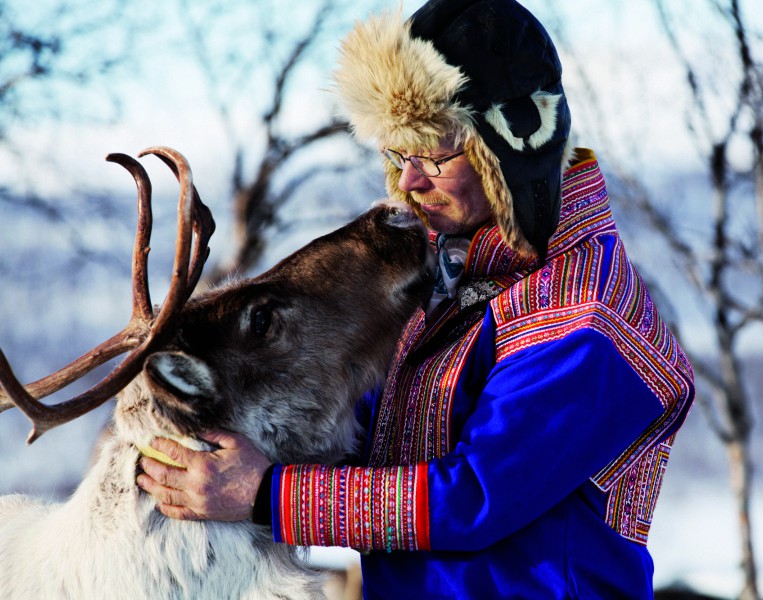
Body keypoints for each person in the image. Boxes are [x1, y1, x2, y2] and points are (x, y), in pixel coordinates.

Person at [137, 0, 695, 597]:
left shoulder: (586, 322)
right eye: (400, 155)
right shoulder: (453, 289)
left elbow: (474, 497)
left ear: (512, 149)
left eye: (434, 154)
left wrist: (267, 495)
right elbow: (375, 452)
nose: (408, 181)